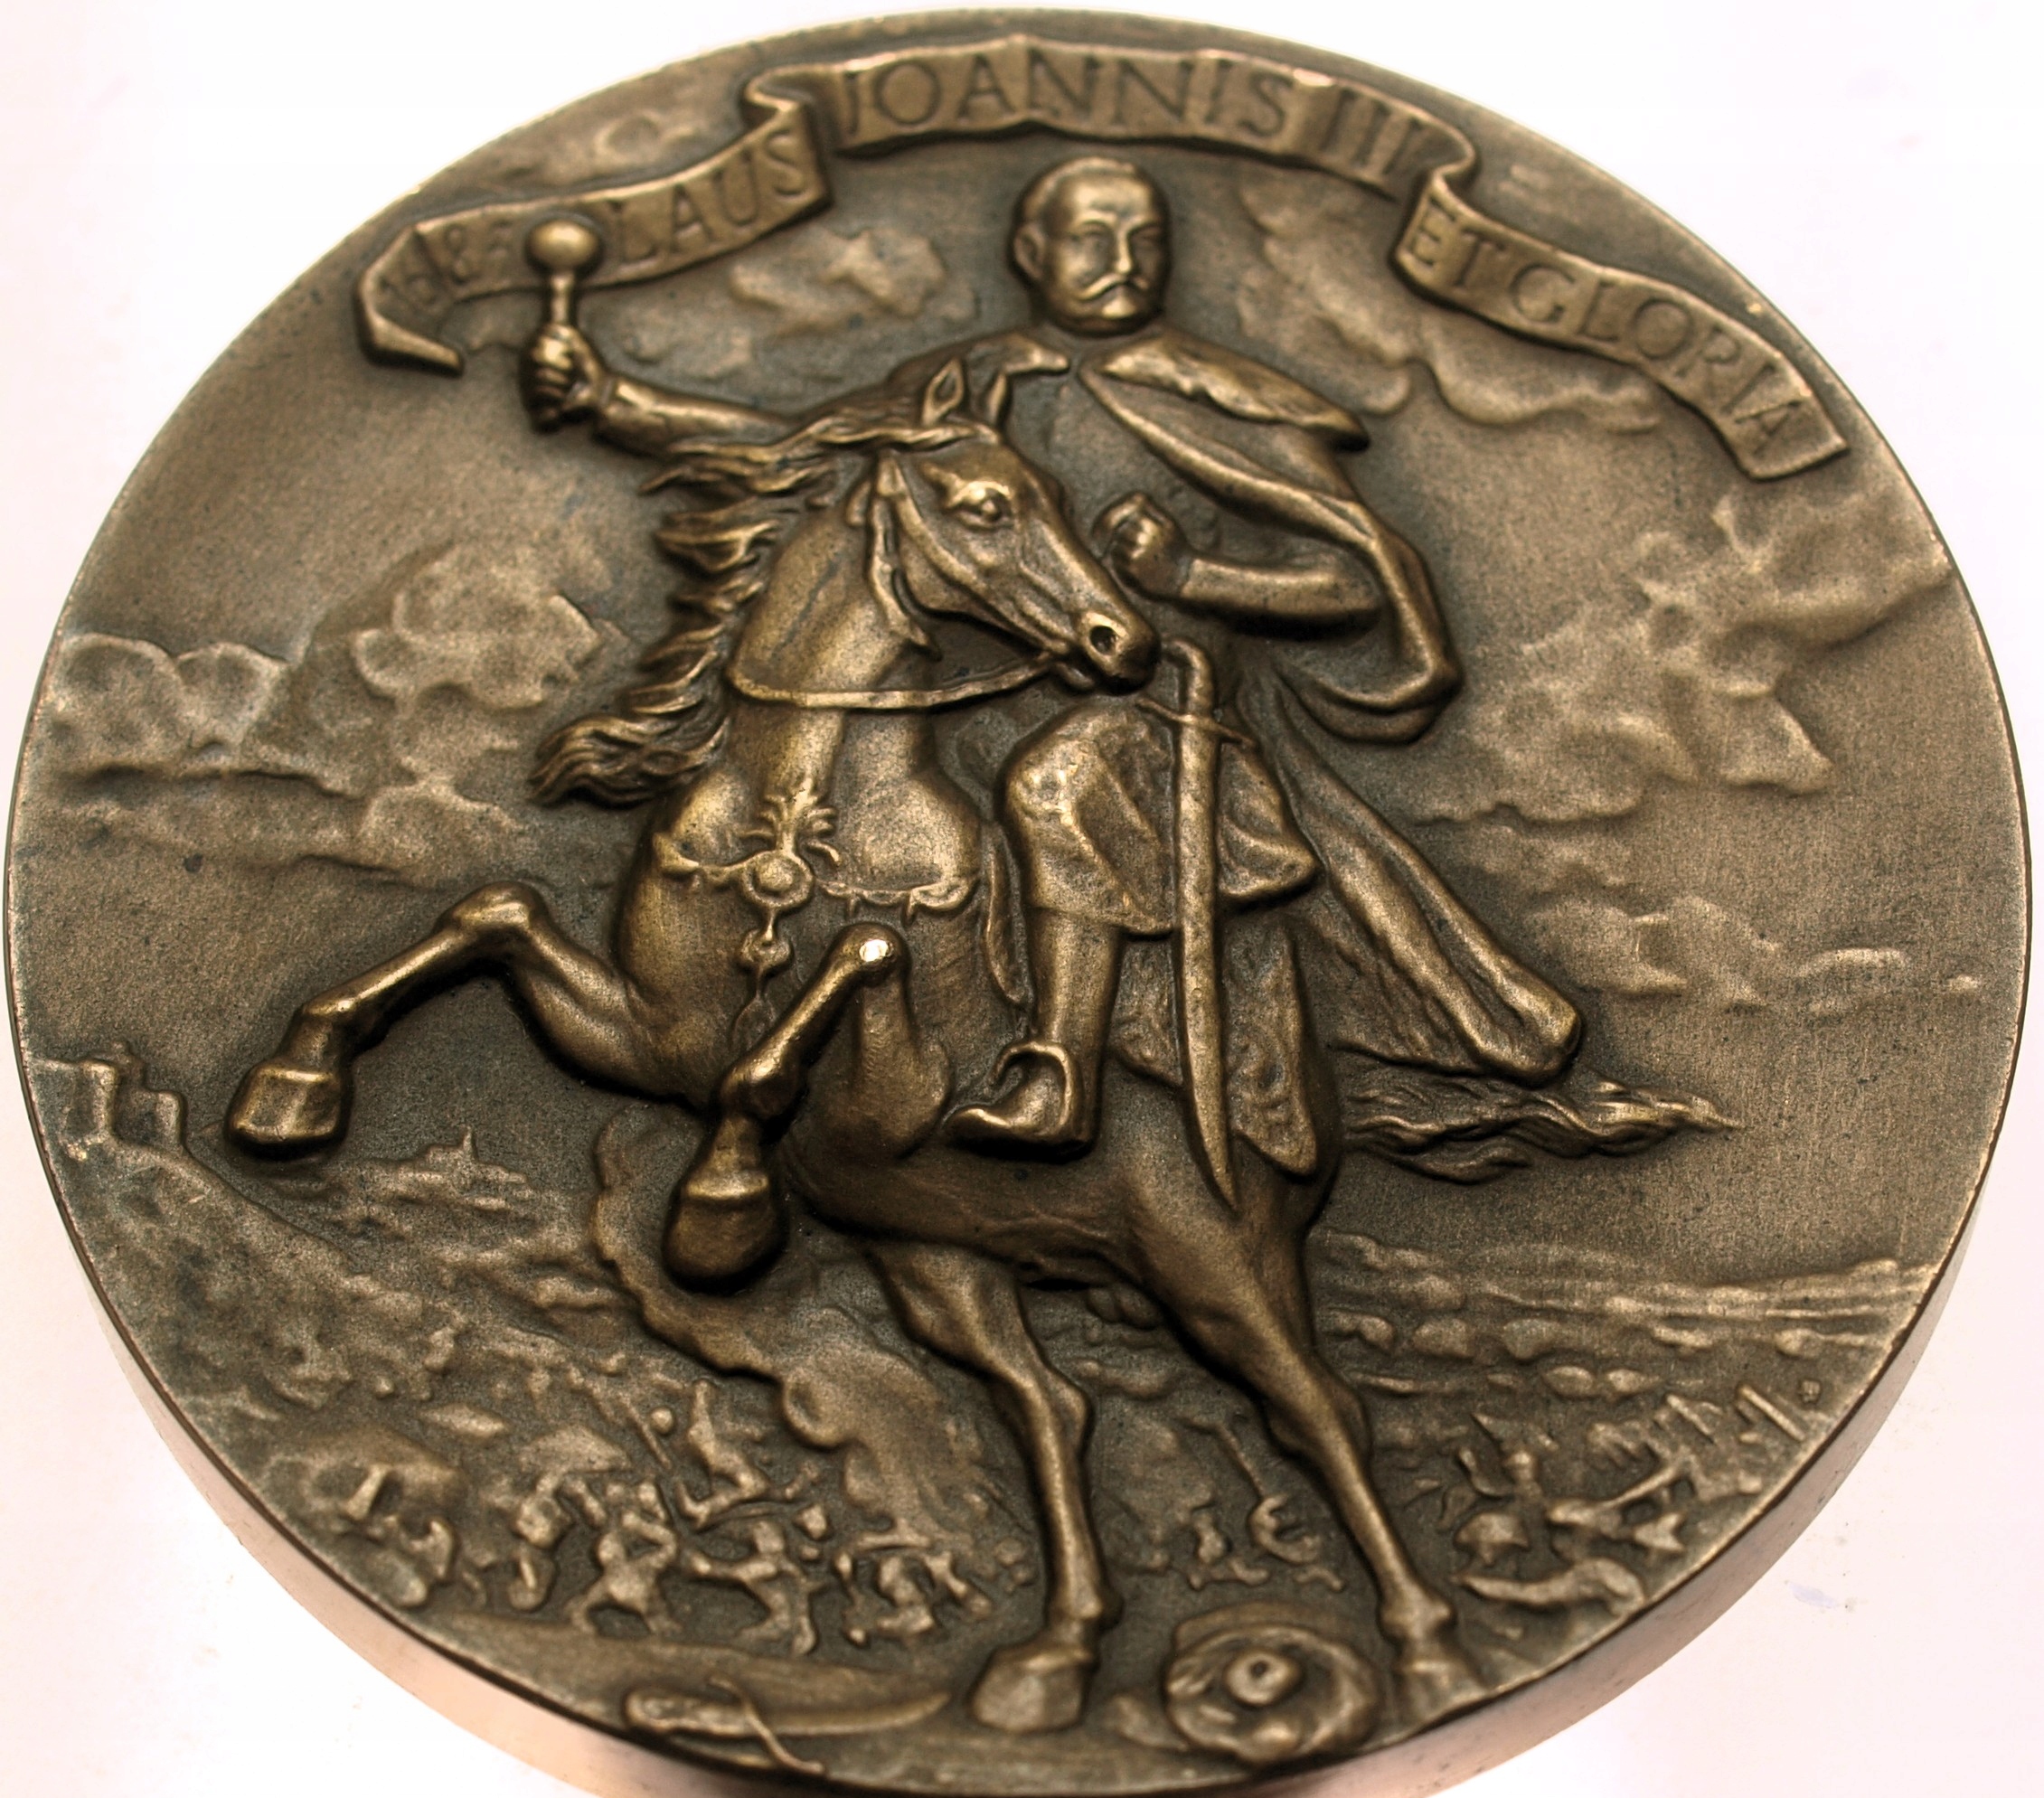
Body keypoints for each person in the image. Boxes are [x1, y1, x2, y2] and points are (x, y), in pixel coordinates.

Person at [522, 154, 1583, 1165]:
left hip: (1156, 715)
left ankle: (1059, 1074)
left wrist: (1192, 573)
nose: (1120, 260)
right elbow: (796, 451)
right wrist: (611, 402)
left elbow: (1354, 580)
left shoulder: (1225, 400)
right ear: (1030, 254)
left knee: (1055, 781)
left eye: (1143, 240)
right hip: (959, 698)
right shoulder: (967, 386)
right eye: (1090, 237)